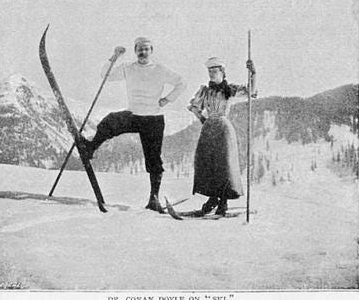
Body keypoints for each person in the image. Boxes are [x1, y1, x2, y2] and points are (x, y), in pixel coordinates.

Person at [82, 37, 186, 213]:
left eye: (146, 49)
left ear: (151, 51)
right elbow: (105, 75)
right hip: (134, 114)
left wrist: (167, 99)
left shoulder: (160, 70)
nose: (143, 52)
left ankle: (154, 199)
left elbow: (182, 82)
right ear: (135, 51)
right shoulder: (128, 68)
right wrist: (114, 57)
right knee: (110, 121)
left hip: (153, 118)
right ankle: (91, 147)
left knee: (153, 159)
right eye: (139, 49)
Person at [187, 57, 257, 216]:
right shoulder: (205, 91)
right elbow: (195, 108)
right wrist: (203, 120)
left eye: (215, 71)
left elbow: (250, 91)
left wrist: (253, 72)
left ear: (222, 72)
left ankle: (223, 201)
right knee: (208, 163)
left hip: (224, 129)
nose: (212, 74)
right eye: (210, 71)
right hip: (208, 129)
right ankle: (213, 198)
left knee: (224, 164)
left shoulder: (229, 89)